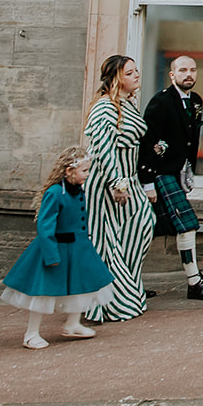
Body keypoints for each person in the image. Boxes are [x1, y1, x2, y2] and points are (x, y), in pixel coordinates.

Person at [0, 146, 115, 348]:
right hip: (56, 248)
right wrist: (51, 254)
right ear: (69, 171)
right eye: (84, 171)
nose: (87, 175)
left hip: (78, 249)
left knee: (83, 286)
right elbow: (45, 226)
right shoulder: (55, 192)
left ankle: (72, 324)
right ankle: (31, 333)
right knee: (43, 293)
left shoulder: (77, 190)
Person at [139, 55, 203, 300]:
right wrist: (147, 182)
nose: (189, 74)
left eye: (193, 70)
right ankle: (195, 282)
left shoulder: (196, 100)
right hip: (159, 173)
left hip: (177, 173)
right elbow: (147, 143)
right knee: (186, 224)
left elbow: (190, 140)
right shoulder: (161, 102)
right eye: (183, 70)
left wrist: (188, 170)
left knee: (147, 229)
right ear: (172, 74)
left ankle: (131, 285)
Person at [82, 55, 153, 323]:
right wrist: (117, 182)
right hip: (106, 184)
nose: (137, 75)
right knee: (106, 242)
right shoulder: (105, 107)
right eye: (130, 72)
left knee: (142, 226)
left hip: (129, 179)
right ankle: (104, 303)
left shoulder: (128, 105)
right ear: (116, 79)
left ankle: (124, 292)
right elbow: (102, 147)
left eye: (136, 70)